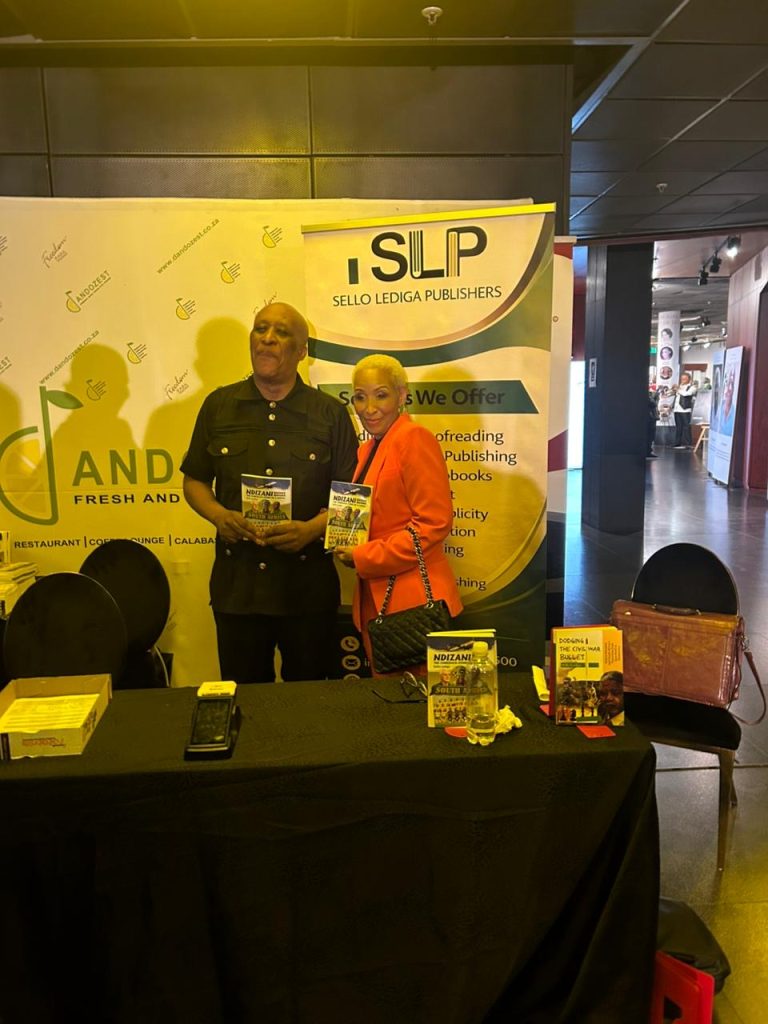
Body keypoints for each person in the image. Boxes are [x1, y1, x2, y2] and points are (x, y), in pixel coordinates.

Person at [181, 302, 358, 683]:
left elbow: (353, 501)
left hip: (308, 592)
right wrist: (218, 516)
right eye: (261, 329)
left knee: (309, 706)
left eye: (281, 332)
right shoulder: (218, 406)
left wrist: (311, 530)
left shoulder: (330, 414)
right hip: (238, 592)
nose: (268, 339)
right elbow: (194, 481)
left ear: (302, 350)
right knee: (245, 704)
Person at [334, 354, 463, 673]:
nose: (369, 408)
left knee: (415, 700)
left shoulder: (413, 439)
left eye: (381, 395)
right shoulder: (369, 448)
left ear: (402, 395)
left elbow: (433, 524)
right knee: (392, 698)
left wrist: (364, 556)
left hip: (412, 602)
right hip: (377, 600)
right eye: (360, 397)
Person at [672, 372, 697, 449]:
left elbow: (687, 394)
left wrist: (678, 389)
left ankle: (688, 444)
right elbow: (676, 397)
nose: (683, 380)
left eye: (685, 379)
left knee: (686, 427)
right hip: (677, 409)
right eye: (682, 379)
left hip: (685, 410)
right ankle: (677, 443)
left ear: (689, 379)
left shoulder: (692, 387)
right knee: (678, 427)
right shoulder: (680, 387)